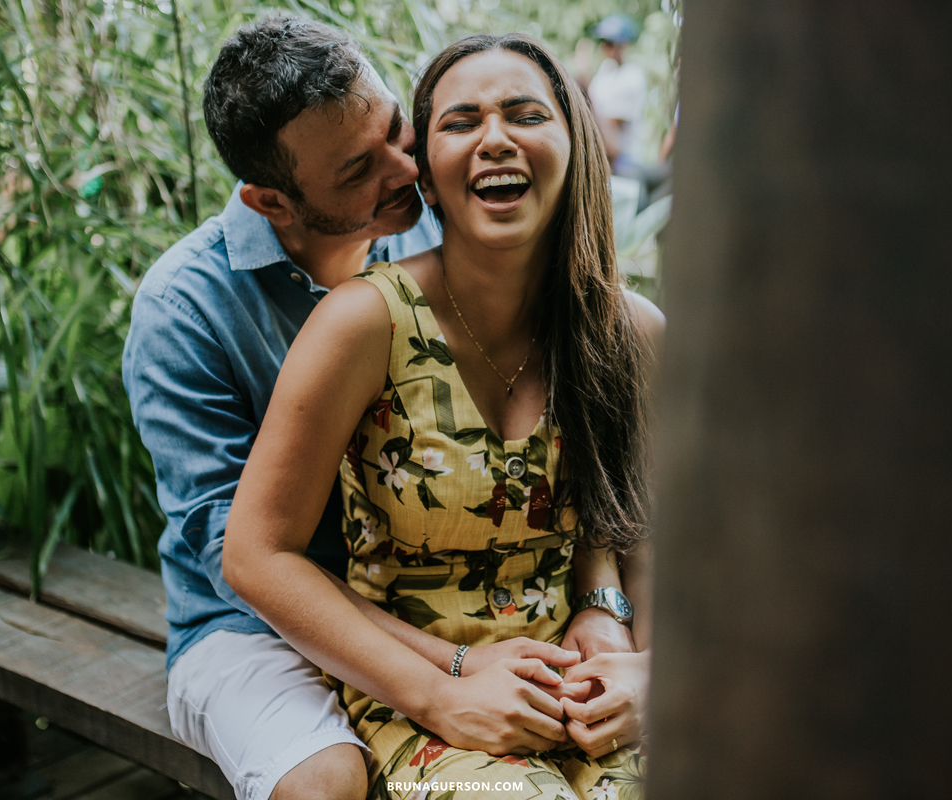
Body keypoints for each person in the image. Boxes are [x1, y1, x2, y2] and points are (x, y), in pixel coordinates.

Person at [124, 18, 631, 800]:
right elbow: (245, 562)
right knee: (327, 781)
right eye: (361, 167)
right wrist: (451, 671)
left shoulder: (439, 216)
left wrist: (601, 610)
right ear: (273, 200)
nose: (406, 168)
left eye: (399, 130)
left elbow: (596, 447)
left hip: (447, 605)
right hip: (258, 623)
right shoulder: (184, 308)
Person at [588, 14, 647, 177]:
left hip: (624, 160)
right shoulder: (605, 70)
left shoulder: (632, 75)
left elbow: (614, 121)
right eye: (604, 43)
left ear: (623, 45)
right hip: (603, 153)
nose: (606, 48)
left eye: (610, 43)